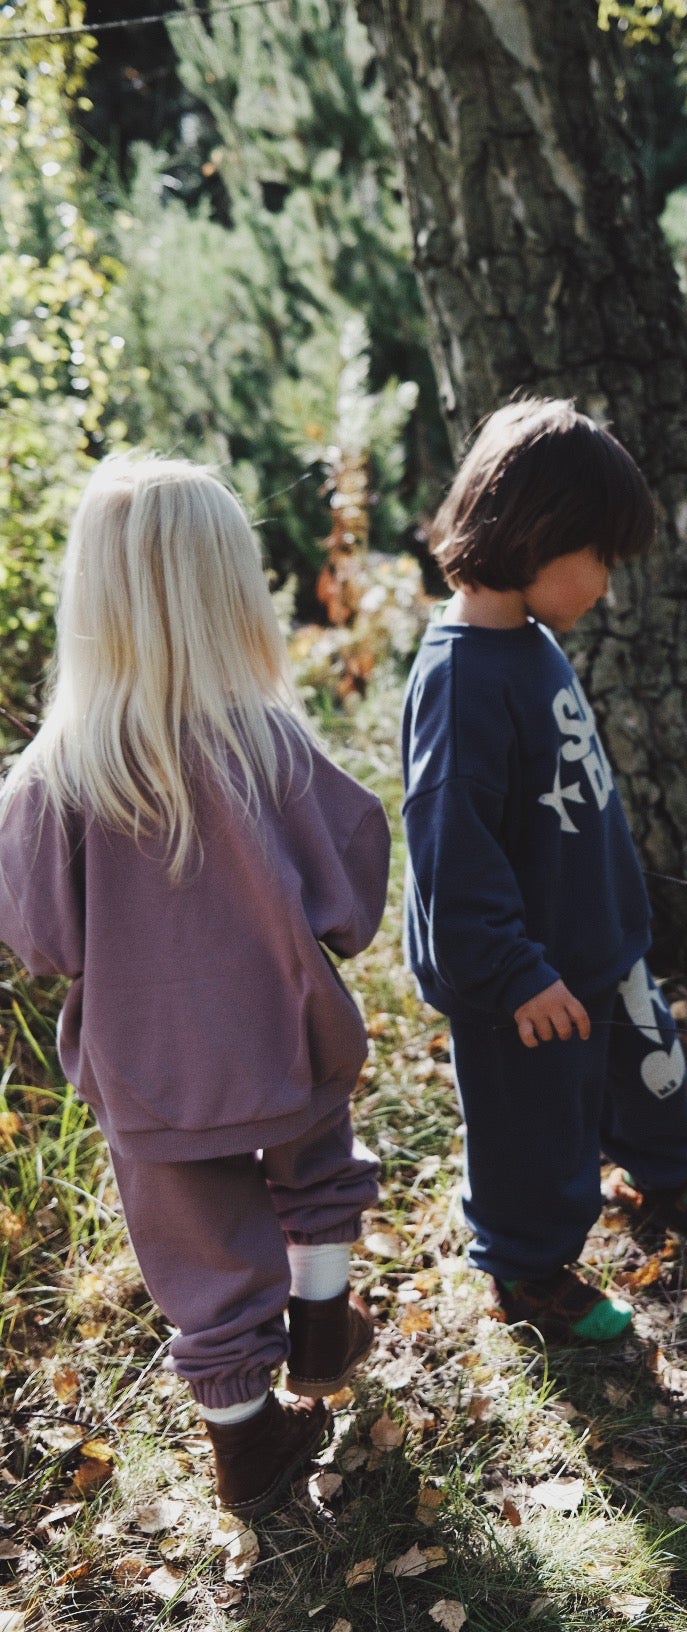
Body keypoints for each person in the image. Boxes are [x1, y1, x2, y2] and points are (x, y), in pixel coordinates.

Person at [0, 456, 391, 1519]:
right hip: (285, 1033)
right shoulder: (269, 745)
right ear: (231, 591)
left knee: (196, 1247)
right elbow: (352, 888)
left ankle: (247, 1445)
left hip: (151, 1067)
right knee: (315, 1165)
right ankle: (319, 1326)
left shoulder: (56, 776)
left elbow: (39, 940)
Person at [401, 397, 687, 1344]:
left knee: (651, 1074)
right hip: (523, 980)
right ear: (536, 535)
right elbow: (449, 846)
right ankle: (529, 1272)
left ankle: (663, 1176)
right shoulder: (460, 679)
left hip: (598, 939)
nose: (606, 581)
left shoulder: (531, 638)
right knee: (534, 1133)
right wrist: (515, 971)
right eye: (597, 555)